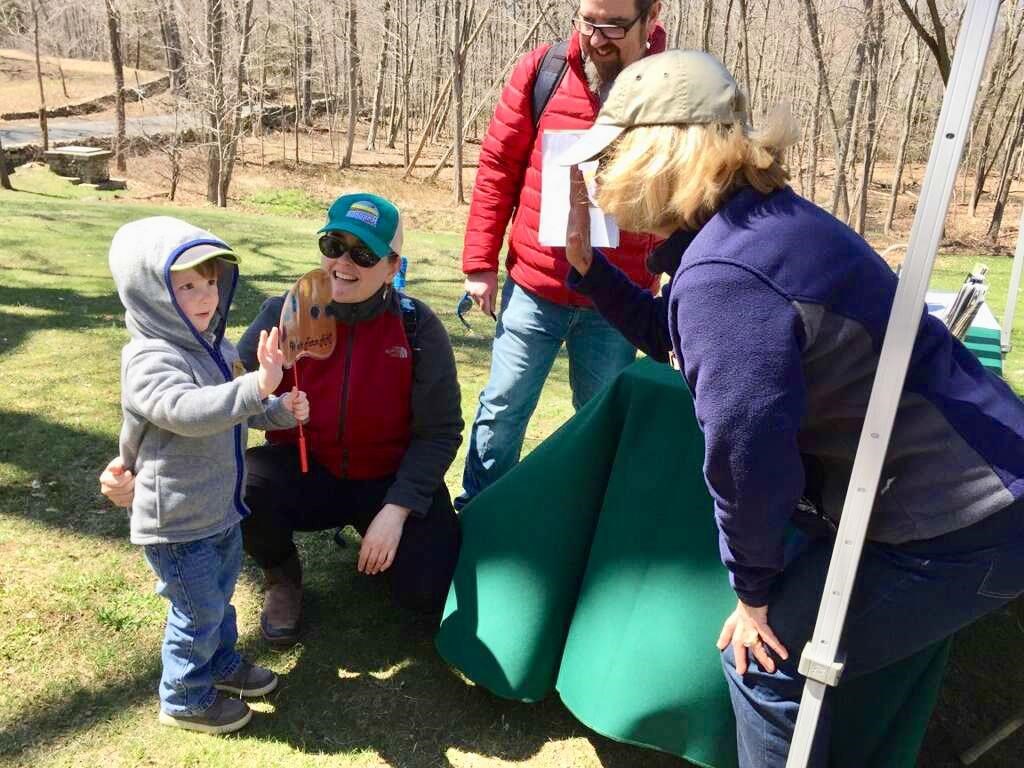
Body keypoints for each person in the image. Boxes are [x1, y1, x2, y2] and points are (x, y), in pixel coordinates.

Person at [558, 50, 1024, 767]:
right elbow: (679, 341)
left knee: (764, 661)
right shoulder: (759, 223)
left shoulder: (725, 269)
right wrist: (596, 278)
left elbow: (748, 459)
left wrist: (753, 593)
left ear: (660, 152)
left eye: (612, 154)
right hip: (980, 488)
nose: (600, 175)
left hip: (962, 518)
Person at [102, 194, 463, 649]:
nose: (343, 262)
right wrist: (132, 463)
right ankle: (282, 576)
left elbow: (441, 431)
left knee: (425, 593)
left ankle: (385, 542)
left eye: (364, 253)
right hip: (306, 472)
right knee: (246, 482)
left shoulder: (416, 327)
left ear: (393, 266)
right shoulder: (283, 312)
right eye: (334, 244)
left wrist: (397, 510)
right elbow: (212, 399)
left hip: (388, 481)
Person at [456, 0, 666, 509]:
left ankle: (583, 529)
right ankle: (479, 518)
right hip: (535, 286)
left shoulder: (672, 89)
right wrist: (480, 264)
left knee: (599, 421)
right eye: (588, 21)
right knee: (502, 409)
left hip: (617, 303)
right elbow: (497, 168)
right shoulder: (541, 71)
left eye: (614, 25)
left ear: (652, 15)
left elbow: (687, 195)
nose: (597, 38)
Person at [108, 216, 309, 734]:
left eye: (212, 281)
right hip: (176, 520)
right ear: (151, 294)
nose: (205, 296)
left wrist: (280, 407)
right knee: (196, 613)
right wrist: (256, 386)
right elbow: (185, 410)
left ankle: (219, 666)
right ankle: (184, 697)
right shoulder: (149, 359)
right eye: (188, 286)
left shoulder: (217, 348)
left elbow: (243, 407)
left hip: (219, 510)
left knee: (218, 600)